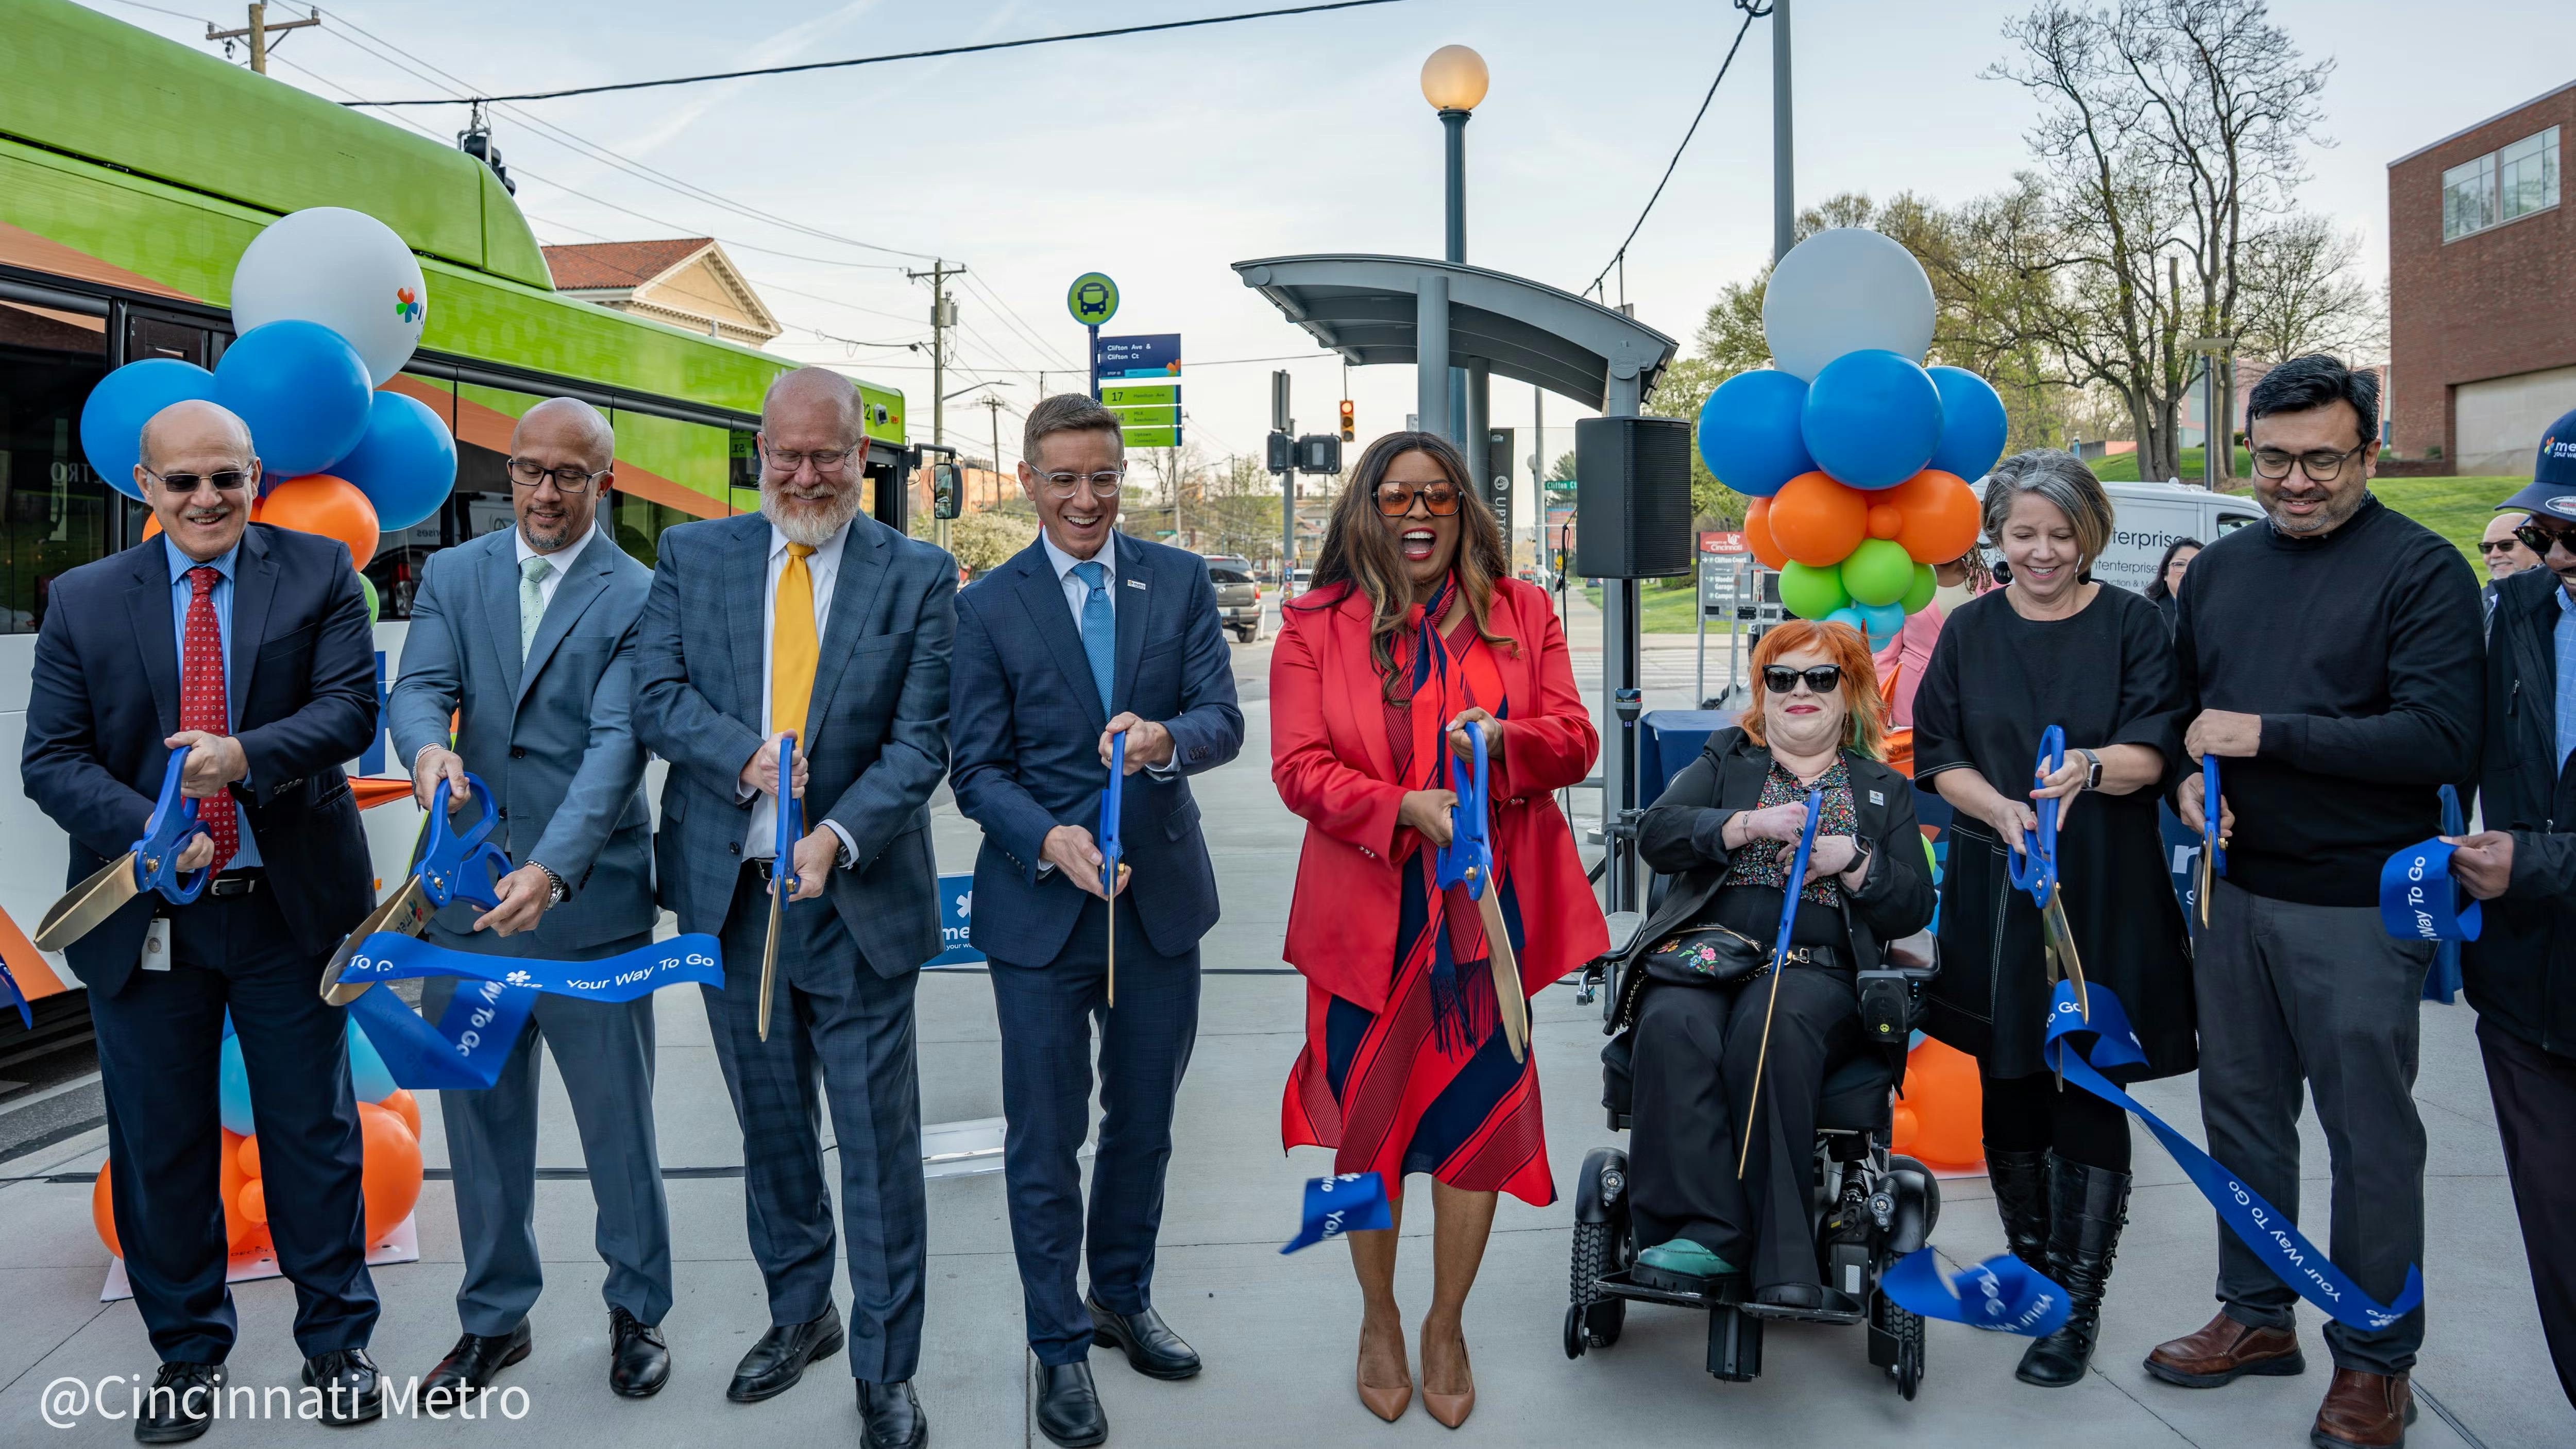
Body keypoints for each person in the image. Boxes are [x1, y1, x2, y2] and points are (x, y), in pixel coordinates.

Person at [22, 399, 384, 1439]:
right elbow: (51, 757)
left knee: (312, 1132)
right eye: (182, 481)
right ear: (147, 487)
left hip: (289, 908)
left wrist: (242, 756)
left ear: (255, 474)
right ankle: (186, 1353)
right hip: (147, 917)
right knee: (159, 1143)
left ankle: (337, 1340)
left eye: (225, 476)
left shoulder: (320, 575)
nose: (206, 498)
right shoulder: (83, 598)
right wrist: (152, 826)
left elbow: (348, 710)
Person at [2152, 355, 2482, 1449]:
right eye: (2274, 458)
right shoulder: (2222, 571)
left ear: (2369, 451)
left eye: (2322, 459)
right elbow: (2182, 718)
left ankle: (2374, 1356)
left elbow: (2439, 739)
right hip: (2232, 894)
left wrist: (2266, 735)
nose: (2294, 481)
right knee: (2241, 1117)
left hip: (2358, 905)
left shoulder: (2421, 571)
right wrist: (2190, 787)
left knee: (2368, 1137)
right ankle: (2256, 1313)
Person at [634, 367, 954, 1449]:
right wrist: (749, 761)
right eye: (787, 454)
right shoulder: (694, 555)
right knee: (772, 1136)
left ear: (863, 457)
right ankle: (798, 1311)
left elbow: (922, 743)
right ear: (759, 454)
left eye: (829, 455)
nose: (807, 474)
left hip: (854, 898)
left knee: (874, 1147)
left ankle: (885, 1365)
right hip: (731, 902)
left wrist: (833, 832)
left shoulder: (918, 573)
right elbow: (658, 695)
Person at [1271, 432, 1606, 1429]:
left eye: (1438, 495)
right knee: (1364, 1136)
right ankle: (1377, 1315)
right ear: (1365, 509)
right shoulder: (1311, 622)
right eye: (1395, 494)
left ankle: (1445, 1322)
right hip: (1365, 920)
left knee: (1473, 1129)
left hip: (1482, 922)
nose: (1417, 513)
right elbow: (1298, 766)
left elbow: (1575, 739)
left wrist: (1506, 741)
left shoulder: (1523, 610)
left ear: (1465, 508)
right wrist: (1398, 806)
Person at [947, 396, 1244, 1447]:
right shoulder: (985, 607)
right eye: (1065, 478)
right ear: (1026, 477)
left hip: (1160, 905)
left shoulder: (1179, 579)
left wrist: (1167, 737)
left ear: (1126, 477)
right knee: (1045, 1139)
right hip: (1039, 914)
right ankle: (1060, 1344)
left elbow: (1223, 718)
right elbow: (974, 769)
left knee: (1145, 1126)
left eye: (1104, 477)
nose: (1086, 498)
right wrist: (1048, 839)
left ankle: (1121, 1292)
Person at [388, 398, 670, 1406]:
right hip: (463, 904)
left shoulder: (640, 594)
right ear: (506, 475)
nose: (543, 492)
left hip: (587, 912)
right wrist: (424, 750)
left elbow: (613, 751)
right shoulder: (457, 574)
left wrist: (550, 866)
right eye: (526, 471)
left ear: (606, 480)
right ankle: (493, 1321)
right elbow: (417, 686)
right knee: (483, 1127)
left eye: (567, 474)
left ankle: (638, 1310)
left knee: (617, 1130)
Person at [1911, 450, 2193, 1387]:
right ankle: (2032, 1271)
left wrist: (2091, 768)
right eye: (2024, 532)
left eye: (2060, 533)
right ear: (1998, 534)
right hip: (1998, 880)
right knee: (2012, 1072)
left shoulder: (2135, 623)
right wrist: (1996, 808)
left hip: (2106, 880)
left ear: (2092, 535)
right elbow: (1939, 752)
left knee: (2089, 1079)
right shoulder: (1969, 629)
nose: (2041, 551)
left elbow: (2156, 746)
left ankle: (2078, 1298)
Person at [1617, 621, 1934, 1311]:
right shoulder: (1729, 759)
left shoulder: (1881, 789)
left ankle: (1782, 1255)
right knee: (1672, 1020)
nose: (1799, 691)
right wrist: (1743, 827)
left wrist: (1851, 862)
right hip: (1710, 958)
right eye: (1781, 677)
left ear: (1850, 692)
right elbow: (1657, 833)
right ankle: (1703, 1233)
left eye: (1820, 678)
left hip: (1815, 973)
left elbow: (1912, 905)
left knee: (1774, 1019)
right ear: (1762, 691)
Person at [2448, 408, 2576, 1412]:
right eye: (2547, 530)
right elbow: (2419, 735)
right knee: (2560, 1238)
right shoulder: (2515, 615)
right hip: (2526, 1003)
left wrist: (2533, 861)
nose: (2552, 553)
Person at [1874, 546, 1991, 727]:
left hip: (1976, 700)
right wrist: (1883, 714)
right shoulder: (1907, 584)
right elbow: (1885, 656)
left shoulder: (1990, 584)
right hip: (1913, 700)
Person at [2479, 512, 2539, 630]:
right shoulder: (2475, 604)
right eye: (2487, 548)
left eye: (2506, 545)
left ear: (2536, 548)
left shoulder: (2563, 600)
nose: (2494, 555)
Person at [2144, 537, 2202, 638]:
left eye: (2197, 565)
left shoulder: (2220, 612)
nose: (2187, 572)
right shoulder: (2148, 613)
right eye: (2180, 564)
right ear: (2165, 574)